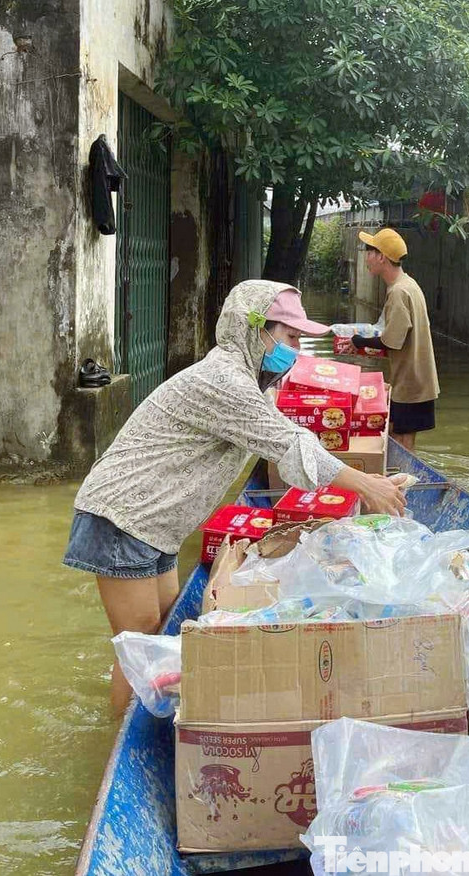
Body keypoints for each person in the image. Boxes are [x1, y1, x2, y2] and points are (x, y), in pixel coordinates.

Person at [63, 281, 406, 715]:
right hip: (122, 518)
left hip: (155, 526)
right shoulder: (224, 380)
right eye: (290, 337)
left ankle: (156, 720)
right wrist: (366, 483)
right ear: (254, 330)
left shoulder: (247, 383)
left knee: (169, 628)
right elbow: (288, 444)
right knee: (141, 649)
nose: (295, 349)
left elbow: (291, 438)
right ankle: (115, 735)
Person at [348, 227, 440, 450]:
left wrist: (359, 341)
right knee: (399, 434)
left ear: (381, 257)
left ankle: (402, 482)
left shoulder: (398, 292)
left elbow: (391, 342)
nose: (366, 258)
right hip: (417, 380)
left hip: (411, 384)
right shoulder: (409, 284)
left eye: (369, 252)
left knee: (401, 440)